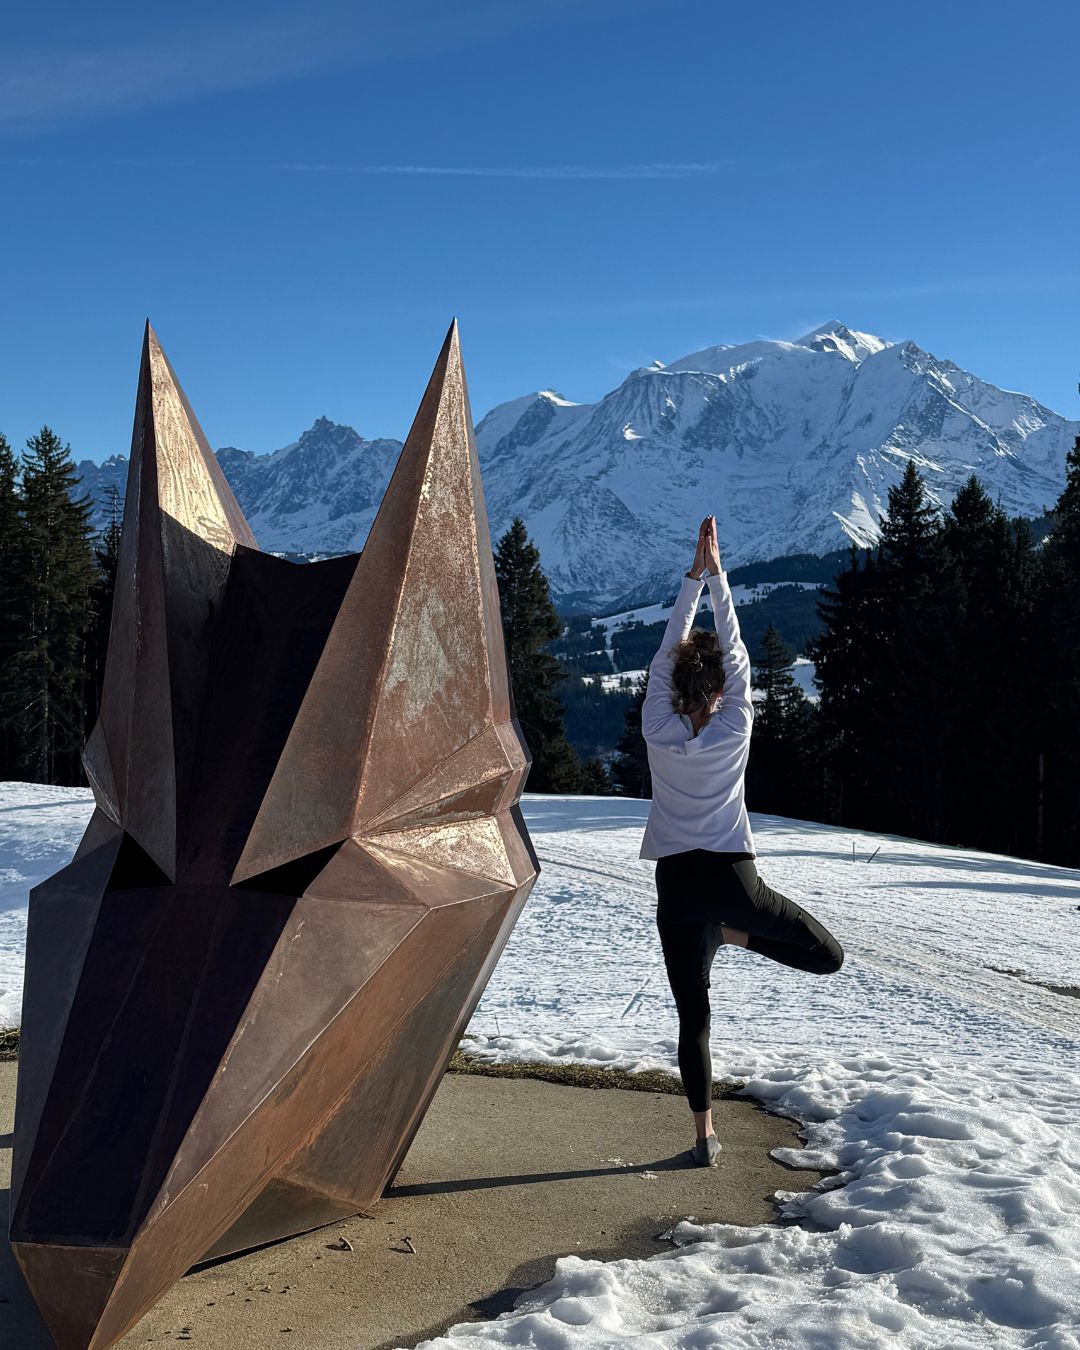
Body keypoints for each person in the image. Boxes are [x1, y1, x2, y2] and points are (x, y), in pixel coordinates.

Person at [640, 515, 844, 1167]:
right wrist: (717, 577)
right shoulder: (735, 728)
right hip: (734, 882)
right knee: (827, 956)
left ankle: (703, 1139)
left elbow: (668, 650)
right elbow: (735, 652)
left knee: (692, 1020)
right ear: (723, 691)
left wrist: (691, 583)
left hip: (675, 888)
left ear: (673, 688)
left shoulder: (655, 728)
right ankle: (733, 936)